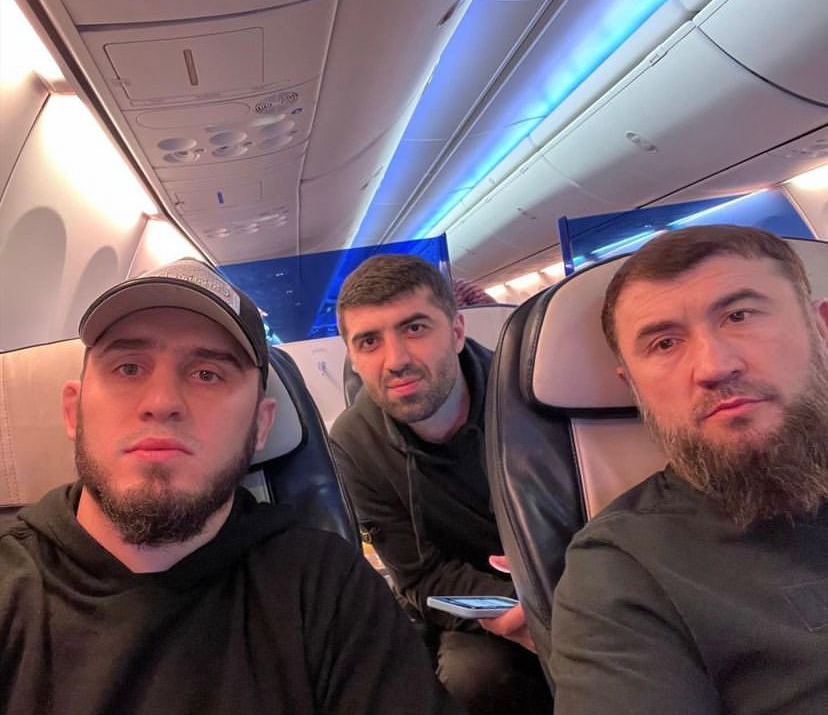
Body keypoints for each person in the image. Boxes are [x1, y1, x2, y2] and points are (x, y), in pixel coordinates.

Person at [0, 258, 463, 715]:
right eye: (128, 368)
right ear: (73, 410)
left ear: (261, 426)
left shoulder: (327, 590)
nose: (161, 402)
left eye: (207, 373)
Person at [548, 225, 828, 714]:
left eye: (739, 316)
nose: (714, 366)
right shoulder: (620, 571)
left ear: (821, 327)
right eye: (664, 344)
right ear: (633, 387)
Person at [329, 254, 553, 715]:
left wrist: (557, 603)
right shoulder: (355, 444)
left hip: (568, 577)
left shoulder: (533, 392)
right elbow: (420, 574)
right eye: (369, 341)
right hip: (476, 599)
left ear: (456, 331)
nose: (396, 361)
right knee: (474, 677)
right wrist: (514, 608)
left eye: (414, 328)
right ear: (352, 357)